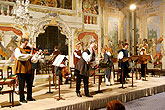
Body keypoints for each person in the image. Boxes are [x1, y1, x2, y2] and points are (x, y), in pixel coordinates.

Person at [14, 38, 37, 103]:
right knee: (22, 84)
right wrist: (27, 56)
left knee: (29, 84)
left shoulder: (28, 50)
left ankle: (29, 97)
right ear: (21, 42)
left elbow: (31, 59)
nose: (26, 45)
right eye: (25, 43)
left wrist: (35, 57)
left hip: (28, 68)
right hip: (21, 69)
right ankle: (21, 98)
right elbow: (19, 57)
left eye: (27, 43)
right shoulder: (17, 49)